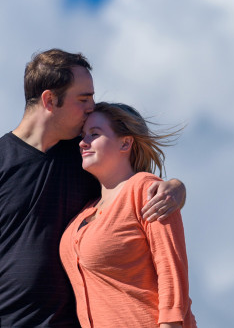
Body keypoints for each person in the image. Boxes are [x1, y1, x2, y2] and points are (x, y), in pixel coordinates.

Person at [0, 49, 186, 328]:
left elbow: (132, 188)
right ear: (50, 100)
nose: (91, 106)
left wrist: (175, 187)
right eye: (83, 98)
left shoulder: (86, 157)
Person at [60, 102, 196, 328]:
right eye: (83, 135)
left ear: (125, 143)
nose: (83, 142)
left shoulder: (147, 190)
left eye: (95, 134)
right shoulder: (83, 212)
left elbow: (172, 276)